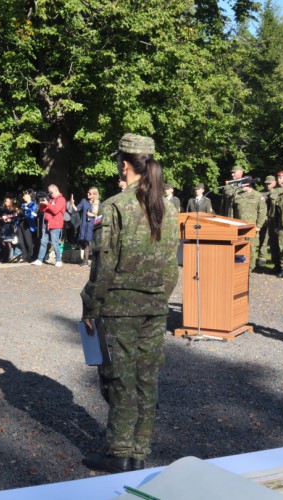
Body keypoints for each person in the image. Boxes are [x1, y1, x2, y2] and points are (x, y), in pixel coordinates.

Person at [80, 133, 179, 473]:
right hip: (155, 307)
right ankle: (138, 450)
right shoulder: (167, 206)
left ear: (124, 165)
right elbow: (170, 266)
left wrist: (91, 307)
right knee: (146, 378)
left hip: (120, 308)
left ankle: (119, 452)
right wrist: (157, 299)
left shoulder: (115, 206)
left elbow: (103, 266)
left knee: (119, 379)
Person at [232, 178, 266, 271]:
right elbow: (233, 211)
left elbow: (262, 212)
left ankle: (250, 268)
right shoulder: (238, 195)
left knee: (251, 247)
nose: (241, 187)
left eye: (243, 185)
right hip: (239, 227)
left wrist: (258, 226)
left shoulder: (258, 196)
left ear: (248, 185)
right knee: (238, 247)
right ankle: (240, 266)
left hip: (251, 227)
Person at [32, 184, 66, 267]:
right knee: (43, 242)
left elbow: (55, 210)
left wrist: (47, 204)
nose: (49, 194)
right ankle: (40, 259)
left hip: (56, 225)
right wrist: (42, 204)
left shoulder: (61, 199)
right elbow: (44, 210)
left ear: (55, 190)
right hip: (47, 224)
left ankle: (58, 260)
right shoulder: (51, 200)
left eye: (50, 193)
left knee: (55, 243)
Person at [70, 187, 101, 267]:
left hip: (93, 225)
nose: (88, 194)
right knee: (85, 242)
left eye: (90, 193)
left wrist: (93, 215)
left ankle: (91, 259)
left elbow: (100, 216)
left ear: (94, 195)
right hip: (84, 225)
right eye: (88, 192)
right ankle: (86, 260)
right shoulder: (84, 201)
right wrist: (72, 203)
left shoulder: (98, 203)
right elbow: (77, 209)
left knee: (91, 242)